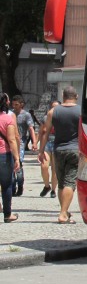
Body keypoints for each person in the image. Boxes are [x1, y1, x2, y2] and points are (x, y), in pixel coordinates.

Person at [38, 87, 80, 224]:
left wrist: (41, 150)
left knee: (61, 183)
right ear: (77, 96)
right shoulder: (81, 112)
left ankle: (65, 211)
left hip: (58, 150)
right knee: (70, 182)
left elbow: (46, 132)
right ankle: (63, 214)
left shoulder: (53, 111)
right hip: (75, 150)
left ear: (63, 96)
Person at [10, 95, 37, 196]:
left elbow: (31, 129)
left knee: (19, 163)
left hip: (21, 142)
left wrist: (34, 142)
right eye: (13, 104)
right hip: (10, 141)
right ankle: (12, 187)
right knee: (11, 164)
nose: (14, 106)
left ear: (21, 104)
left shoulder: (26, 115)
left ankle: (20, 185)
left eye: (16, 104)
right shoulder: (10, 114)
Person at [0, 93, 20, 223]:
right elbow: (12, 140)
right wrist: (17, 158)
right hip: (4, 155)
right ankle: (7, 215)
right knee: (6, 184)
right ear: (6, 102)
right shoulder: (8, 119)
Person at [37, 100, 60, 198]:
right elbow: (41, 132)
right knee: (44, 166)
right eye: (52, 107)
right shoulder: (45, 118)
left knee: (55, 169)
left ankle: (54, 190)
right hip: (47, 144)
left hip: (57, 144)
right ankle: (47, 186)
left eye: (56, 108)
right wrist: (35, 143)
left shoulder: (62, 118)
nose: (54, 110)